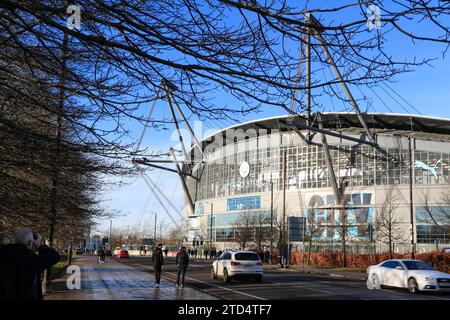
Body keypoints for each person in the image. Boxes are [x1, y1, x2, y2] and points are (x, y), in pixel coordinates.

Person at [0, 228, 60, 300]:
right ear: (29, 243)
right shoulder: (29, 259)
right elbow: (55, 256)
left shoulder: (4, 253)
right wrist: (40, 246)